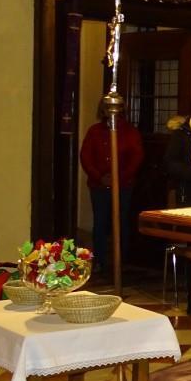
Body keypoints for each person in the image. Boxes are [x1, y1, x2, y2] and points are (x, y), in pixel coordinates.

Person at [79, 104, 144, 273]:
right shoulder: (94, 131)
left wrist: (119, 177)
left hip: (123, 185)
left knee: (121, 222)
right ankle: (99, 260)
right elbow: (86, 156)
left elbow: (136, 157)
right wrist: (99, 176)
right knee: (100, 222)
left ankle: (120, 261)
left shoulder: (130, 132)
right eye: (107, 109)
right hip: (99, 185)